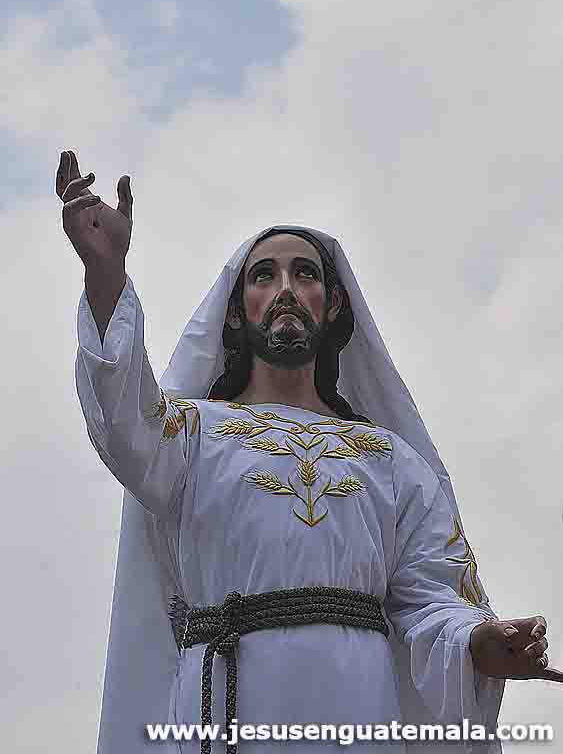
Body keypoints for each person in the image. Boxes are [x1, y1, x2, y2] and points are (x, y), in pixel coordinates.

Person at [57, 150, 558, 754]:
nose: (286, 290)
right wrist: (105, 275)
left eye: (305, 274)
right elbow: (122, 422)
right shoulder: (190, 435)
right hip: (224, 716)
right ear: (236, 311)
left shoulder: (389, 460)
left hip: (357, 719)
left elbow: (430, 598)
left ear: (334, 303)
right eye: (264, 276)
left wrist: (478, 643)